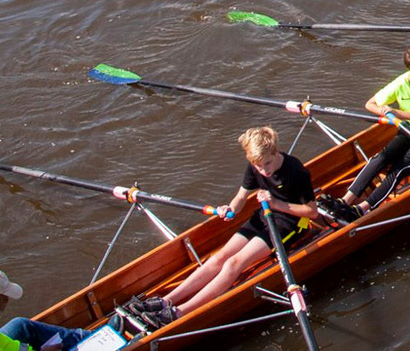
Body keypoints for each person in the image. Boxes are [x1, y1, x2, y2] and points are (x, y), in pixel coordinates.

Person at [133, 127, 318, 325]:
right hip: (265, 215)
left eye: (267, 164)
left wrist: (276, 204)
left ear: (275, 151)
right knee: (219, 257)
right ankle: (164, 301)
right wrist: (228, 209)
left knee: (233, 263)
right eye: (258, 166)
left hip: (291, 224)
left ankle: (178, 312)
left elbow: (312, 211)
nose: (263, 170)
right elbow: (240, 197)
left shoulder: (296, 171)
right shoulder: (255, 165)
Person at [325, 43, 410, 220]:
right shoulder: (401, 83)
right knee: (381, 158)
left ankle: (362, 208)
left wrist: (394, 112)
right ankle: (345, 200)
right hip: (408, 130)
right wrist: (386, 112)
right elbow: (370, 104)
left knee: (398, 169)